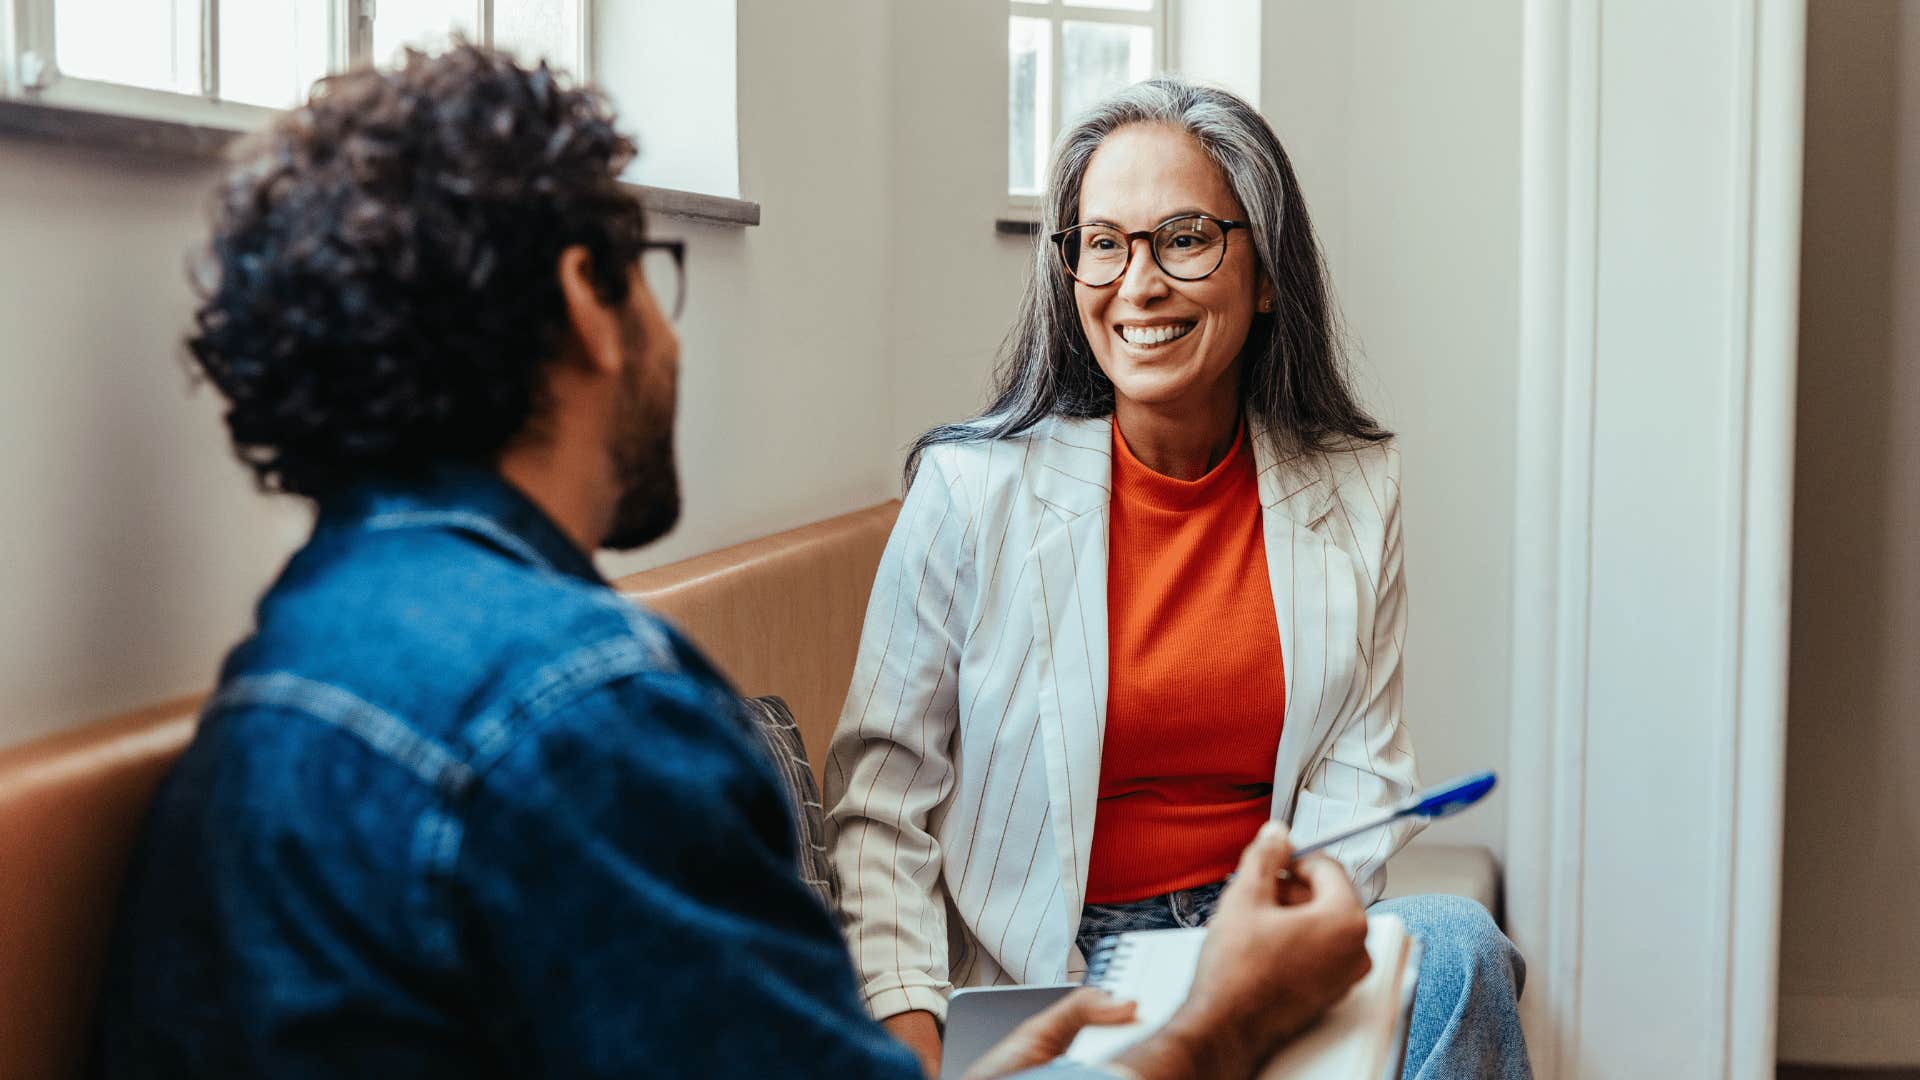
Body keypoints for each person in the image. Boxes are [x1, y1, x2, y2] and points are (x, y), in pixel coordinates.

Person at [91, 46, 1378, 1080]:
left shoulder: (292, 653)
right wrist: (1215, 1031)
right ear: (590, 305)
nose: (670, 330)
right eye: (655, 272)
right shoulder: (590, 722)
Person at [824, 76, 1530, 1079]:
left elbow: (1360, 768)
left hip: (1263, 931)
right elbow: (881, 804)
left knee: (1458, 945)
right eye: (1103, 243)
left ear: (1268, 271)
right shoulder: (970, 490)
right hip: (1065, 982)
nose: (1138, 283)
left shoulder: (1355, 487)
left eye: (1185, 237)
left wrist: (1260, 972)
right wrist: (913, 1050)